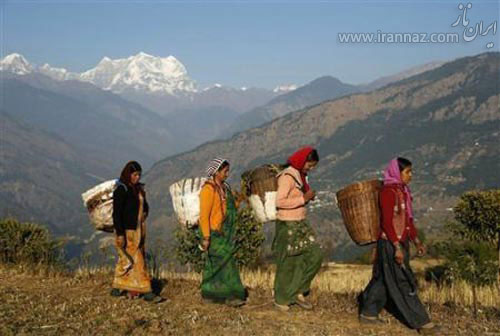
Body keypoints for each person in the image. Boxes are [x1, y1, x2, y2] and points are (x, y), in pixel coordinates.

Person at [358, 158, 438, 334]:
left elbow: (407, 220)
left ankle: (368, 314)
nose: (411, 175)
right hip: (390, 243)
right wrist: (396, 247)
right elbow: (387, 222)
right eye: (407, 172)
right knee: (403, 281)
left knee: (382, 279)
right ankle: (422, 322)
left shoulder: (403, 191)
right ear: (397, 172)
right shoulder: (388, 192)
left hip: (400, 242)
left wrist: (416, 241)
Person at [273, 147, 324, 311]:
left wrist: (306, 198)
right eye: (310, 164)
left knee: (314, 255)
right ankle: (281, 299)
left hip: (300, 222)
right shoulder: (288, 176)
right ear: (303, 160)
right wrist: (303, 198)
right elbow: (279, 202)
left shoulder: (301, 176)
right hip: (288, 224)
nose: (311, 168)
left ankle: (298, 290)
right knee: (288, 262)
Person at [110, 161, 163, 303]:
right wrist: (120, 234)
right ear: (128, 174)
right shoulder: (121, 190)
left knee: (127, 260)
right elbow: (117, 214)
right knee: (138, 261)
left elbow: (145, 206)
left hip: (138, 230)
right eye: (134, 175)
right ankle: (147, 291)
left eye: (139, 175)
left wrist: (145, 212)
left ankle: (118, 285)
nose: (137, 177)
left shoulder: (138, 189)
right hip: (128, 231)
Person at [199, 158, 246, 307]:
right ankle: (232, 295)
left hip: (224, 233)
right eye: (225, 171)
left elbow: (229, 208)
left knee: (215, 265)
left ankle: (211, 294)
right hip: (213, 233)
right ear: (216, 172)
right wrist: (206, 237)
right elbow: (203, 216)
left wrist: (239, 200)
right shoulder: (208, 190)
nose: (227, 174)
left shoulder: (225, 187)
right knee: (227, 262)